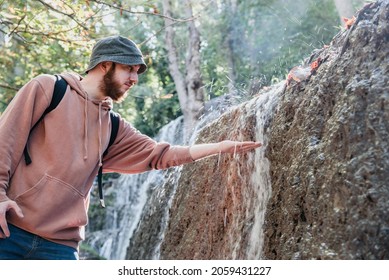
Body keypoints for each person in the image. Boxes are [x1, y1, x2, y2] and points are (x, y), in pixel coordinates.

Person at [0, 35, 261, 260]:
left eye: (137, 71)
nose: (135, 79)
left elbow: (161, 154)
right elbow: (5, 142)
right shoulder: (49, 89)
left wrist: (220, 147)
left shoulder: (114, 126)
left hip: (59, 247)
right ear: (105, 65)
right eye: (129, 70)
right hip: (10, 231)